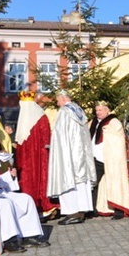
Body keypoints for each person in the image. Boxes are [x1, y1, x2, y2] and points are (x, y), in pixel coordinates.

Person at [47, 90, 96, 225]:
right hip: (81, 155)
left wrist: (55, 149)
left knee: (68, 179)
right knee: (81, 182)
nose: (57, 103)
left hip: (69, 155)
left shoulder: (64, 112)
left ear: (63, 98)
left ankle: (72, 212)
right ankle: (82, 211)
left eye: (58, 100)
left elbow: (60, 135)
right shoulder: (79, 110)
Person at [14, 90, 55, 217]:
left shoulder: (36, 117)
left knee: (33, 180)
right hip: (33, 156)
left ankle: (38, 208)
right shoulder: (41, 116)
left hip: (35, 156)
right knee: (33, 180)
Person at [89, 101, 129, 220]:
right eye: (96, 110)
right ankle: (93, 209)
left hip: (110, 158)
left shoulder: (114, 122)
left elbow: (117, 140)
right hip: (96, 158)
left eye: (100, 110)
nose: (98, 112)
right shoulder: (93, 122)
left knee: (115, 183)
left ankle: (119, 211)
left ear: (107, 110)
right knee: (93, 183)